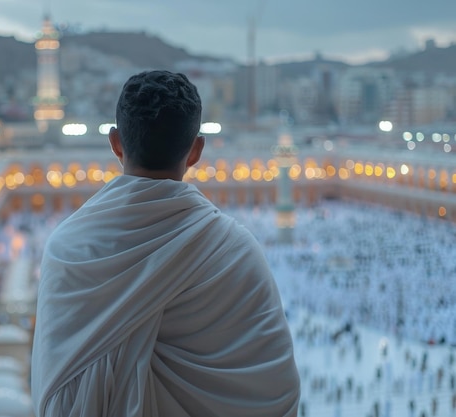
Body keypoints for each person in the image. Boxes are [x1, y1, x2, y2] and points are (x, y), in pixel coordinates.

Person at [31, 70, 300, 417]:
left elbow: (57, 392)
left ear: (115, 143)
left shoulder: (68, 250)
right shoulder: (234, 250)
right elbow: (274, 393)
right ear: (196, 151)